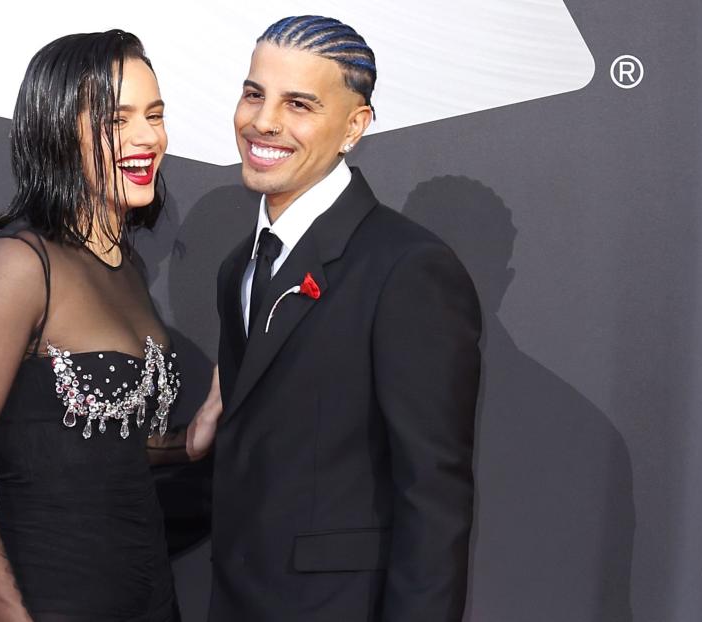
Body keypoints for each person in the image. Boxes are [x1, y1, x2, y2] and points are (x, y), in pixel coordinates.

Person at [186, 15, 483, 621]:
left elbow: (432, 495)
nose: (263, 122)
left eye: (299, 104)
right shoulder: (238, 267)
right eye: (253, 93)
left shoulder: (408, 269)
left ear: (355, 127)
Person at [0, 30, 212, 622]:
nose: (147, 137)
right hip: (55, 604)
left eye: (154, 115)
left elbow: (91, 444)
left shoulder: (125, 267)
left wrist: (189, 439)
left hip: (153, 600)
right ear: (56, 130)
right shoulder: (19, 268)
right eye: (117, 118)